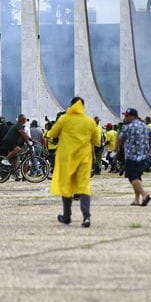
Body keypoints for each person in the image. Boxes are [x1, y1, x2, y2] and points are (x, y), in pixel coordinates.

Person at [49, 97, 100, 228]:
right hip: (84, 159)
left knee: (66, 187)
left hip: (67, 159)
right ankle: (86, 217)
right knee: (83, 187)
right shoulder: (90, 121)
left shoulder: (64, 119)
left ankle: (66, 217)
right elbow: (97, 141)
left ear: (71, 106)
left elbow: (52, 133)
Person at [114, 108, 151, 207]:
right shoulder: (145, 126)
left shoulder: (128, 127)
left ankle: (145, 195)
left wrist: (116, 149)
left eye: (127, 116)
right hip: (143, 156)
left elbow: (119, 138)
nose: (125, 118)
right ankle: (137, 200)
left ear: (133, 116)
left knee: (132, 177)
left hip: (131, 157)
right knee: (137, 177)